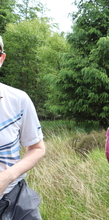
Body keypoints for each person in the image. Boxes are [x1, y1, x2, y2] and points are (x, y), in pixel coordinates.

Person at [0, 36, 45, 219]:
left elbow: (37, 148)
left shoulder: (18, 100)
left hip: (17, 200)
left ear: (1, 59)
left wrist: (7, 177)